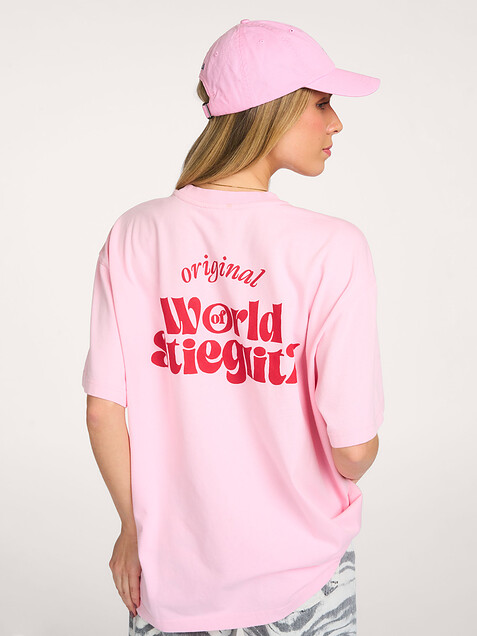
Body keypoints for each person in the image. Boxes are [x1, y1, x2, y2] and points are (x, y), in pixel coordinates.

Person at [82, 18, 384, 636]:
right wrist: (357, 459)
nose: (336, 123)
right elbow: (353, 450)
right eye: (321, 103)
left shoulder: (134, 232)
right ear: (273, 109)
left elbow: (103, 409)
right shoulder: (331, 247)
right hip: (300, 578)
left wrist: (133, 528)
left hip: (169, 577)